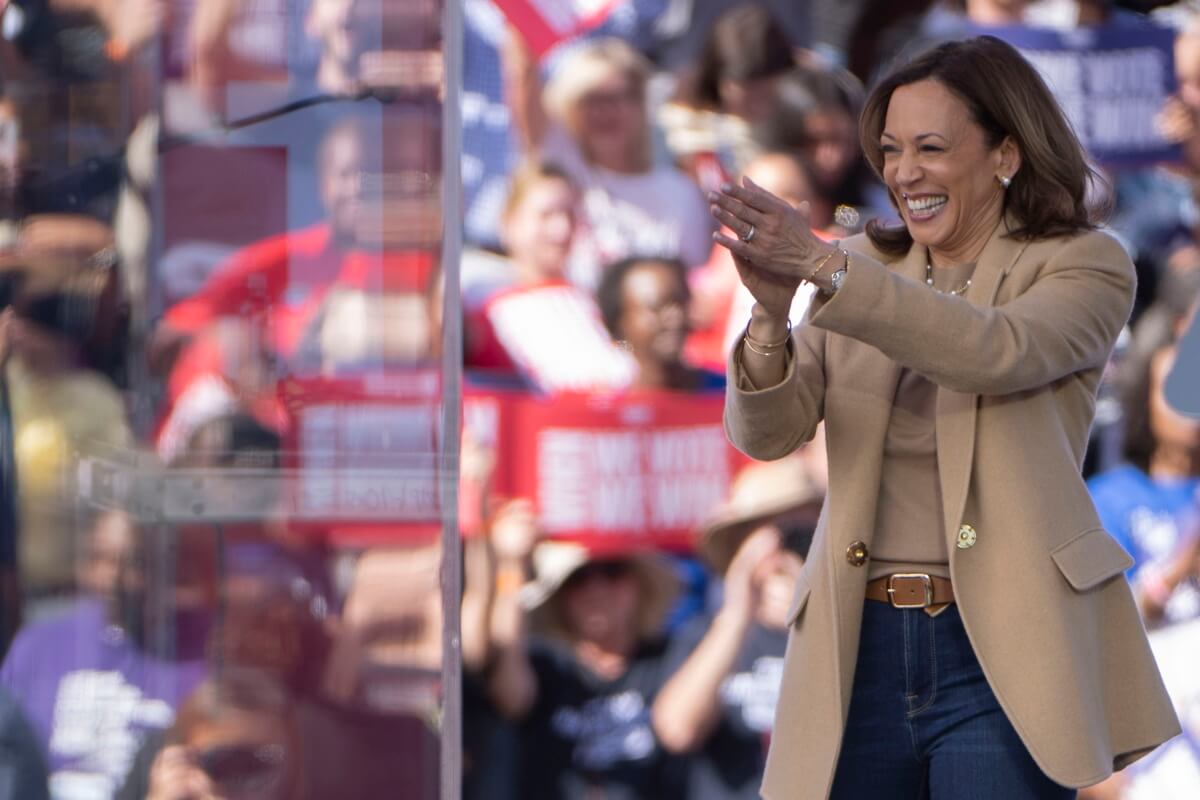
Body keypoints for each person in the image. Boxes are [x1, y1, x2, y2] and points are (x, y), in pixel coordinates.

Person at [709, 36, 1179, 799]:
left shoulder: (1083, 263)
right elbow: (769, 435)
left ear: (1006, 154)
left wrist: (827, 269)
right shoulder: (859, 265)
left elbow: (994, 352)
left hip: (1003, 649)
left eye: (931, 147)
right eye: (890, 150)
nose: (903, 173)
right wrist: (769, 320)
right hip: (855, 645)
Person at [485, 498, 685, 799]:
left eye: (611, 570)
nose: (595, 588)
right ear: (560, 597)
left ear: (638, 585)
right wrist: (511, 566)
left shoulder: (671, 658)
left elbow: (684, 730)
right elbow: (509, 694)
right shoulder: (546, 664)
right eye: (578, 577)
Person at [653, 456, 821, 800]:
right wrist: (738, 611)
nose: (797, 551)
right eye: (784, 537)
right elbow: (677, 730)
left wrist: (815, 616)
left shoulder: (850, 629)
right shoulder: (707, 634)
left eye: (810, 535)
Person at [503, 33, 713, 290]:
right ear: (571, 109)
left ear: (640, 104)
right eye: (591, 100)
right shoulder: (565, 170)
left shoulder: (680, 193)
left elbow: (694, 289)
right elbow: (522, 76)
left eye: (617, 98)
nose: (605, 112)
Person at [595, 255, 724, 392]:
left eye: (680, 302)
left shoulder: (727, 397)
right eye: (656, 307)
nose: (676, 316)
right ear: (617, 324)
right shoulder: (606, 405)